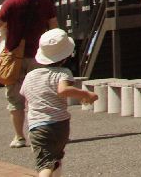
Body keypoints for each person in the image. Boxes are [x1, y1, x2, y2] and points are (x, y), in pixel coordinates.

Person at [0, 0, 58, 148]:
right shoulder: (45, 2)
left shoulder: (11, 3)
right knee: (40, 96)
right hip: (39, 56)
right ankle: (44, 135)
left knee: (15, 99)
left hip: (14, 57)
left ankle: (19, 137)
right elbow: (55, 28)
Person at [19, 29, 98, 177]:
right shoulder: (63, 72)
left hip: (38, 126)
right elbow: (64, 90)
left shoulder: (30, 76)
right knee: (55, 159)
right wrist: (85, 94)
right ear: (66, 56)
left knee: (44, 164)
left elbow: (27, 96)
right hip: (61, 125)